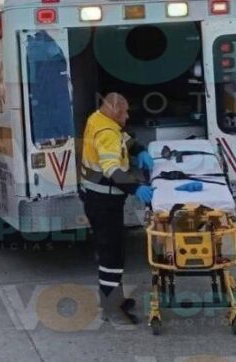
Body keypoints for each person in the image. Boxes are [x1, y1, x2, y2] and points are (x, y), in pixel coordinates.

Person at [78, 92, 154, 324]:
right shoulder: (106, 132)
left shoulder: (98, 119)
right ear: (114, 111)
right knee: (111, 254)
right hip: (103, 202)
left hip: (97, 198)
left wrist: (138, 149)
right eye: (125, 112)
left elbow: (124, 138)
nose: (128, 115)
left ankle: (115, 299)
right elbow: (112, 170)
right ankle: (112, 308)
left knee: (113, 250)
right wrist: (135, 189)